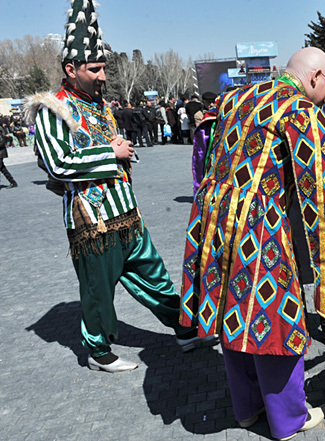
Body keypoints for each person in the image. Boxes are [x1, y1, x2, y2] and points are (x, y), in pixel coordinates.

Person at [180, 46, 325, 440]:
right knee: (276, 320)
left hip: (215, 222)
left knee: (234, 315)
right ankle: (287, 419)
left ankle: (246, 409)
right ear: (316, 77)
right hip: (258, 228)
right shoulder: (299, 110)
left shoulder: (236, 98)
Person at [24, 0, 215, 373]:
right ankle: (98, 352)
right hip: (92, 223)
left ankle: (183, 328)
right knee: (98, 290)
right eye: (94, 69)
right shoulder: (52, 109)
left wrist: (124, 153)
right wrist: (110, 154)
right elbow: (57, 164)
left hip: (127, 214)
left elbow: (113, 151)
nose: (101, 76)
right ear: (71, 68)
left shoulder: (98, 106)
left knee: (155, 277)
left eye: (103, 69)